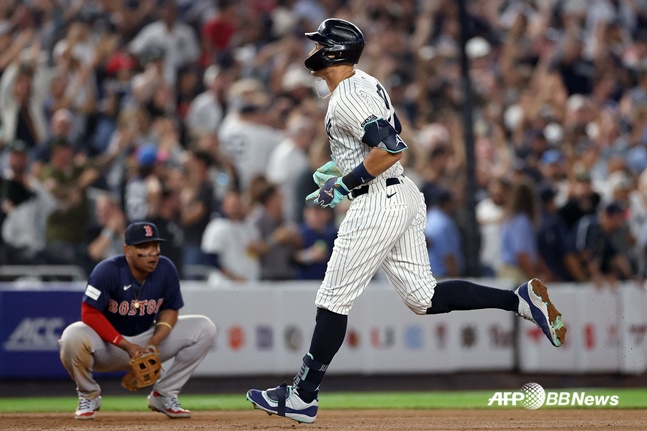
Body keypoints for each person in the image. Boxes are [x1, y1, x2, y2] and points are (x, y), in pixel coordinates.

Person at [246, 18, 567, 424]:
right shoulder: (365, 83)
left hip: (378, 202)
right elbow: (382, 140)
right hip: (401, 195)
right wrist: (339, 167)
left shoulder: (346, 95)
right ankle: (518, 300)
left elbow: (392, 147)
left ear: (333, 52)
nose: (311, 50)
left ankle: (302, 394)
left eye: (319, 44)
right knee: (424, 299)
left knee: (332, 299)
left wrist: (344, 183)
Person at [58, 221, 217, 420]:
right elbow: (89, 313)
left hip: (146, 340)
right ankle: (88, 395)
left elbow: (170, 309)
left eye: (155, 246)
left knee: (204, 328)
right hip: (107, 344)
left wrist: (154, 342)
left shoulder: (166, 268)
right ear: (127, 250)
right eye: (144, 247)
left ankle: (164, 394)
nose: (152, 252)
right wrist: (126, 345)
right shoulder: (107, 270)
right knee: (71, 337)